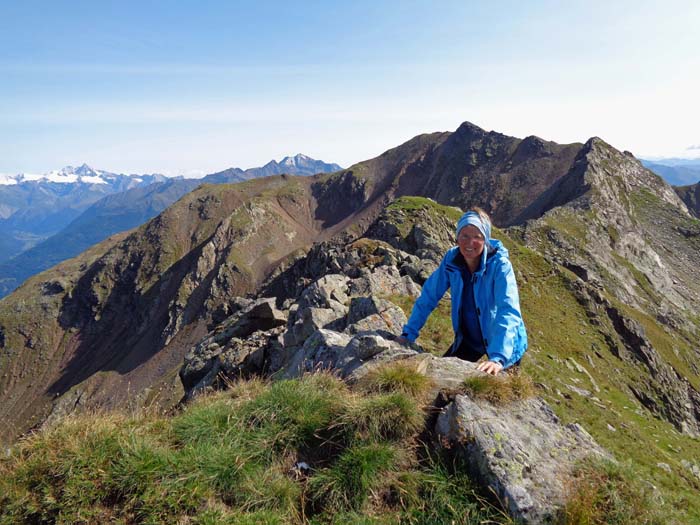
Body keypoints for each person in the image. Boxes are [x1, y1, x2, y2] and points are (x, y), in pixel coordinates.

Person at [396, 208, 527, 375]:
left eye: (477, 237)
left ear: (485, 239)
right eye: (464, 235)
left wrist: (498, 358)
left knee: (504, 394)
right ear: (457, 237)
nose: (469, 242)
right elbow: (429, 296)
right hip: (470, 340)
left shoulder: (500, 266)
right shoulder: (452, 261)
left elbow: (508, 310)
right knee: (438, 377)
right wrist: (408, 334)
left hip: (505, 344)